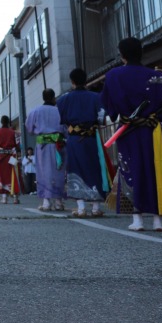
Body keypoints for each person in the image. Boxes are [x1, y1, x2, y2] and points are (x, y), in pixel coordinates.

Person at [100, 37, 162, 233]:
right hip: (152, 131)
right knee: (155, 169)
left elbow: (109, 105)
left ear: (122, 54)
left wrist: (121, 112)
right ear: (141, 52)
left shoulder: (113, 76)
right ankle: (158, 220)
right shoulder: (157, 76)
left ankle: (138, 219)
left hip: (129, 131)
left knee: (132, 169)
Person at [56, 69, 109, 218]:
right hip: (91, 138)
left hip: (73, 139)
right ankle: (96, 208)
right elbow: (102, 119)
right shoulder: (96, 97)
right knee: (94, 167)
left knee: (75, 169)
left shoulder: (63, 99)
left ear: (72, 81)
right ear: (85, 80)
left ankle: (81, 209)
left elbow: (60, 121)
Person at [26, 88, 66, 212]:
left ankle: (46, 201)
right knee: (59, 171)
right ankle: (58, 201)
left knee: (43, 172)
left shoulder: (35, 111)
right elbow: (65, 128)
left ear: (43, 98)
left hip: (42, 146)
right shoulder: (60, 111)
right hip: (58, 144)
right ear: (54, 97)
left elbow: (29, 128)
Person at [0, 116, 22, 204]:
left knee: (2, 175)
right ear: (8, 122)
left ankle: (4, 197)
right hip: (12, 156)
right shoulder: (13, 132)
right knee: (14, 175)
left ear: (1, 122)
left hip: (1, 157)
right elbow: (17, 145)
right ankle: (15, 197)